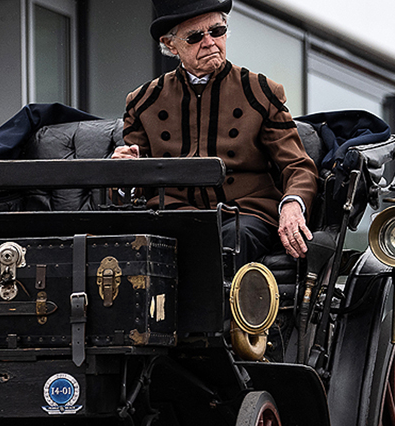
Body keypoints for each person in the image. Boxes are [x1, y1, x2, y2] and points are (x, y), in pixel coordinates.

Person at [113, 0, 318, 261]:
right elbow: (131, 189)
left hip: (245, 214)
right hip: (173, 215)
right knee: (148, 248)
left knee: (233, 241)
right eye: (195, 36)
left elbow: (298, 166)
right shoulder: (144, 102)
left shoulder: (261, 92)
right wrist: (123, 175)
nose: (209, 42)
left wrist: (292, 203)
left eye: (217, 31)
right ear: (170, 45)